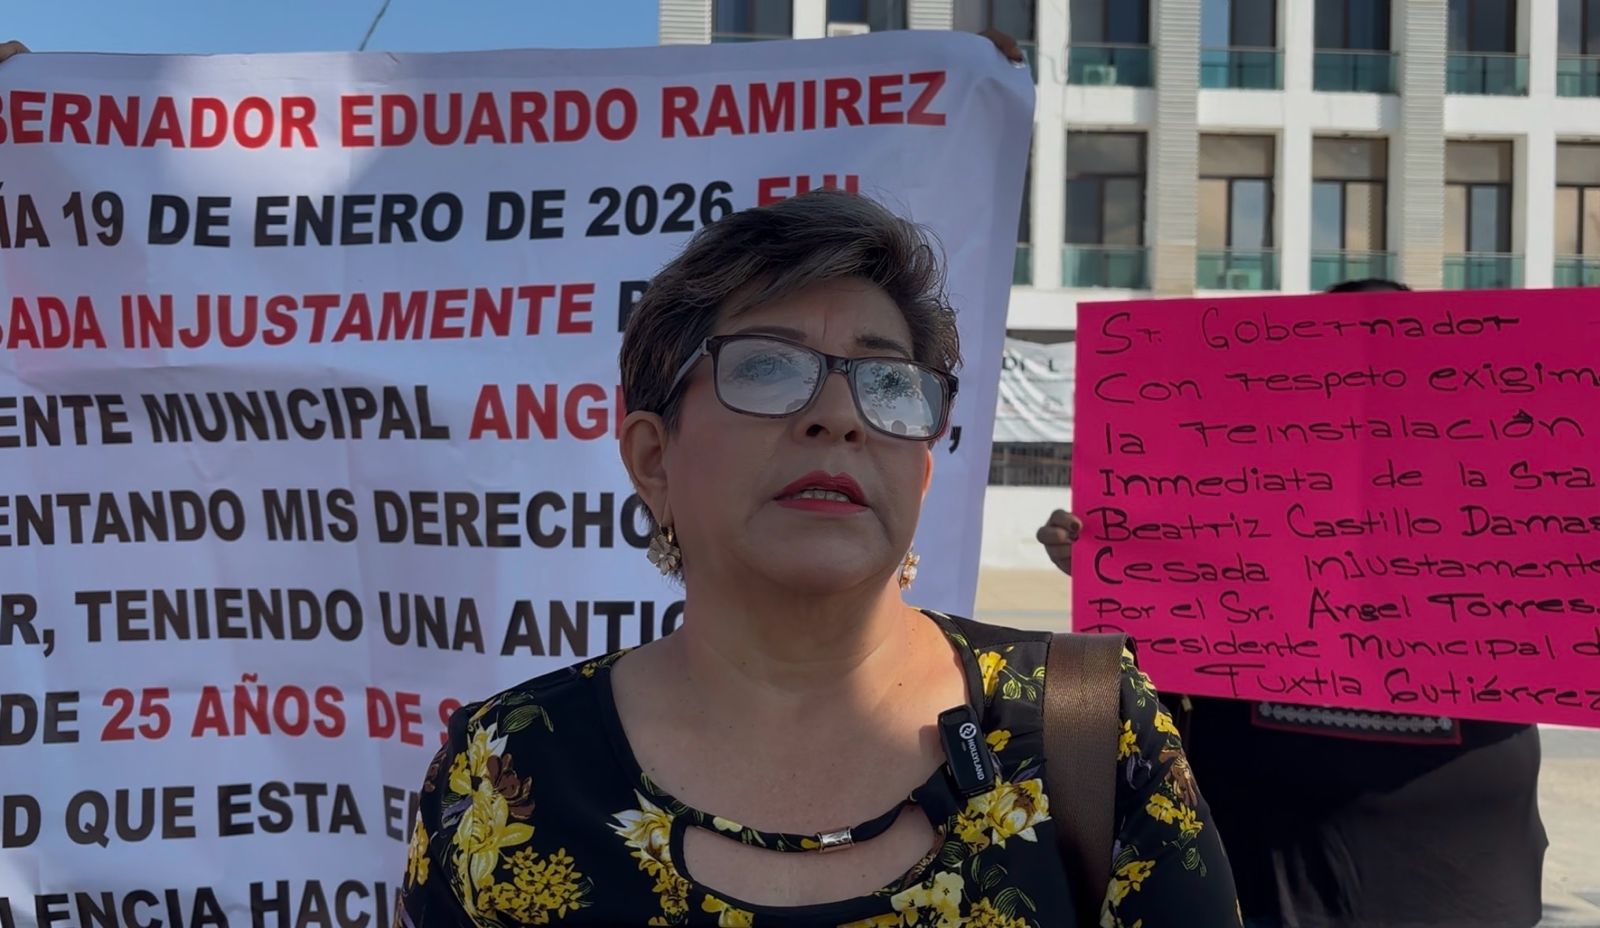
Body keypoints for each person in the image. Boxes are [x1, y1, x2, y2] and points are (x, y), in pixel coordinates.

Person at [1037, 277, 1547, 928]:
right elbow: (1145, 704)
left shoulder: (1506, 507)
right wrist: (1120, 570)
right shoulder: (1230, 503)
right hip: (1265, 888)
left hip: (1463, 891)